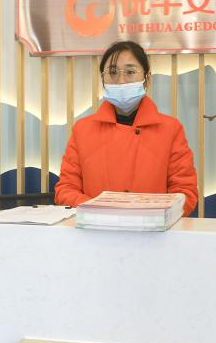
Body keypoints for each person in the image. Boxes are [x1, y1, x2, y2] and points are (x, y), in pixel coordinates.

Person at [55, 41, 198, 216]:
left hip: (152, 229)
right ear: (103, 79)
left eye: (130, 72)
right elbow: (66, 189)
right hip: (96, 228)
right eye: (113, 73)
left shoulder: (171, 129)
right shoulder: (82, 130)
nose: (121, 81)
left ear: (147, 78)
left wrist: (148, 214)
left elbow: (185, 192)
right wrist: (100, 210)